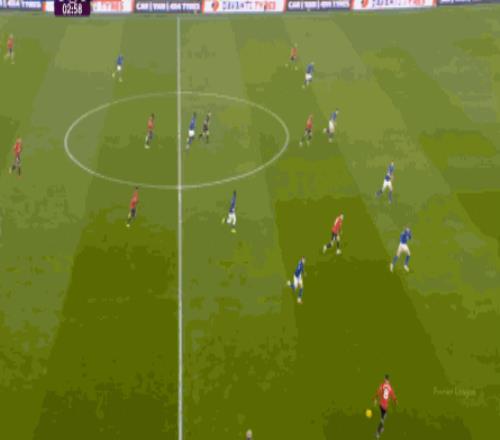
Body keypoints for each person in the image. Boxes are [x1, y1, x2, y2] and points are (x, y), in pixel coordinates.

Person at [373, 374, 397, 439]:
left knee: (382, 419)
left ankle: (379, 431)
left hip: (383, 406)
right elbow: (392, 394)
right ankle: (380, 431)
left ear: (386, 379)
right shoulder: (387, 387)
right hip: (382, 406)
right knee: (382, 419)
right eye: (386, 380)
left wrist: (375, 399)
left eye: (386, 380)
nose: (386, 381)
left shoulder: (383, 385)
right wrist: (395, 400)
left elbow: (379, 392)